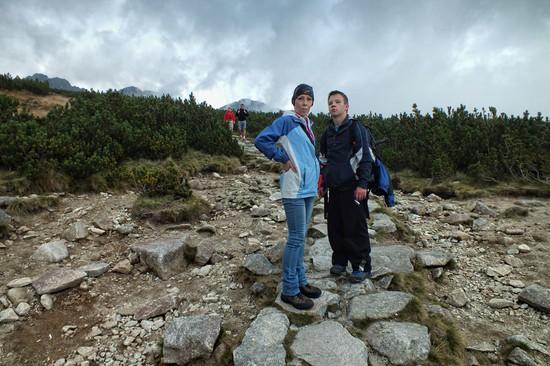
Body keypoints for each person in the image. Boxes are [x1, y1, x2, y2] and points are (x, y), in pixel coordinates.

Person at [255, 84, 321, 310]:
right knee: (295, 238)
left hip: (308, 188)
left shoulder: (307, 124)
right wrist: (281, 158)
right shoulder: (286, 121)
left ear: (312, 103)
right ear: (294, 102)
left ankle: (301, 282)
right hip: (294, 188)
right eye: (300, 98)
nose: (304, 103)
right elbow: (261, 140)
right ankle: (290, 290)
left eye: (308, 99)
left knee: (300, 237)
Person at [318, 90, 375, 283]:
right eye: (330, 102)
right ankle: (340, 261)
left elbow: (366, 159)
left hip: (353, 188)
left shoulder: (355, 129)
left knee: (355, 227)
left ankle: (361, 265)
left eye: (338, 102)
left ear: (346, 106)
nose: (333, 105)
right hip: (333, 189)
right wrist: (323, 183)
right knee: (335, 227)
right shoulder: (327, 132)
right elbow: (323, 161)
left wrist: (363, 184)